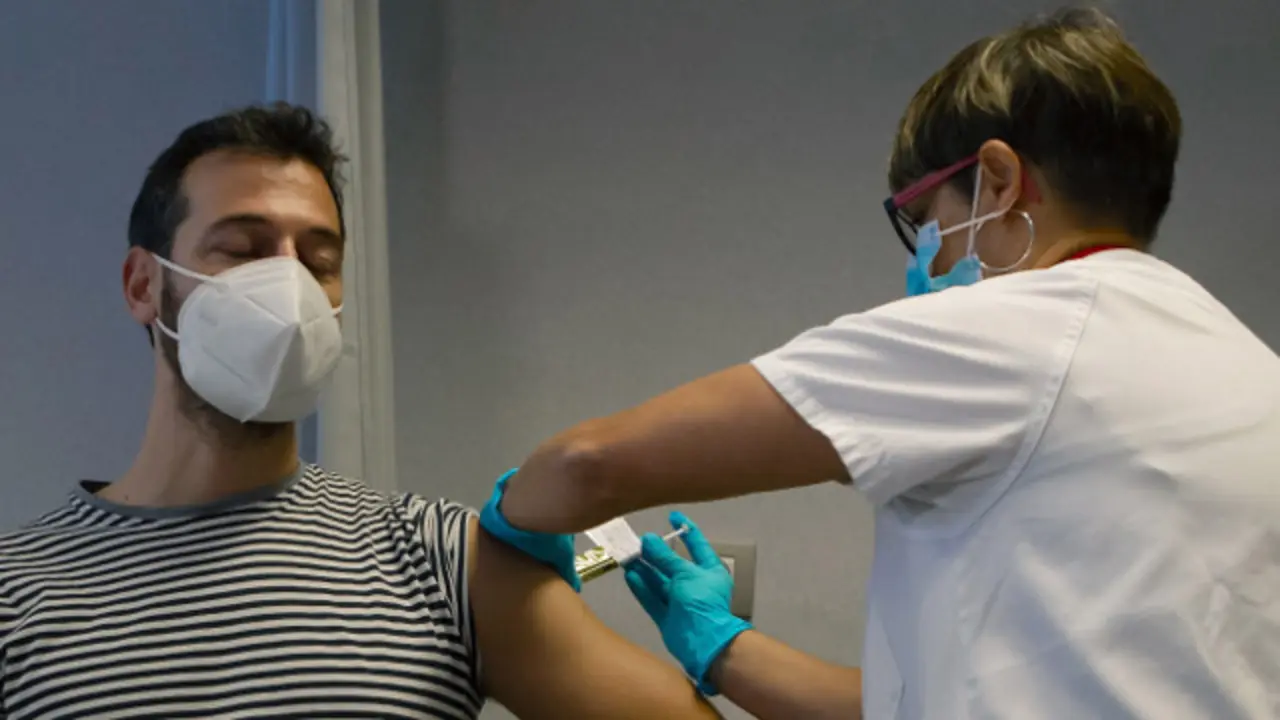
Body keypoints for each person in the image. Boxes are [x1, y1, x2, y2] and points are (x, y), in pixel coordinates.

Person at [480, 8, 1280, 720]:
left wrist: (513, 519)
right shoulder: (1244, 368)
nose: (928, 262)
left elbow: (589, 466)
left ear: (998, 180)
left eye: (925, 219)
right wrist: (720, 644)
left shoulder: (1008, 333)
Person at [0, 104, 722, 720]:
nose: (288, 289)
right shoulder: (17, 591)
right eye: (243, 250)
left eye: (317, 262)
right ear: (141, 284)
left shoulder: (442, 558)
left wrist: (725, 647)